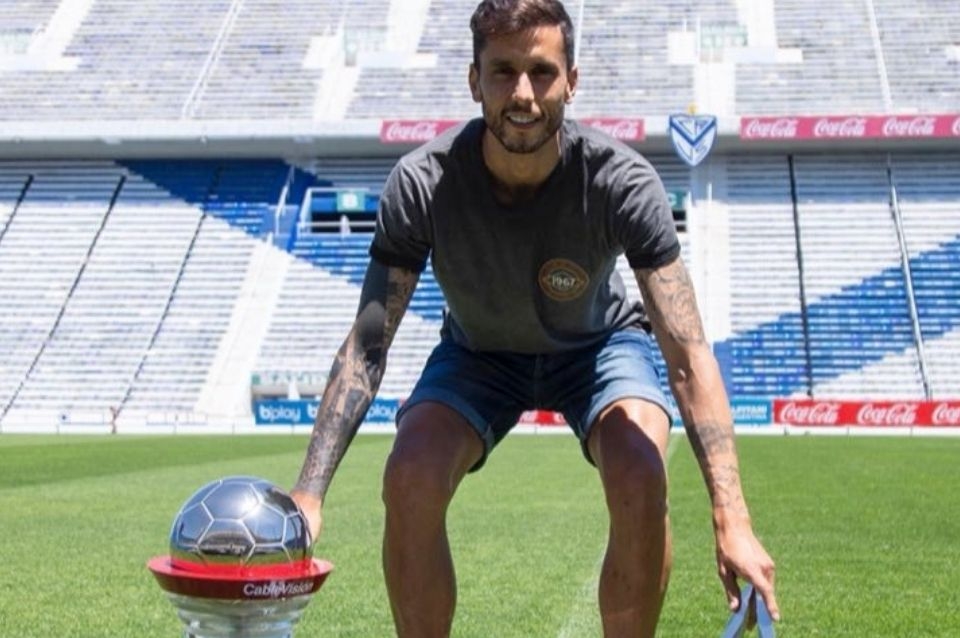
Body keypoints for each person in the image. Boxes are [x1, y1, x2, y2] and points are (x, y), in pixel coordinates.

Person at [291, 0, 779, 635]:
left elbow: (687, 356)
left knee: (640, 470)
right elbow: (367, 346)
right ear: (474, 80)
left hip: (598, 347)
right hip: (478, 352)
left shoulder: (621, 183)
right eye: (503, 71)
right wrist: (308, 494)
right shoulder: (422, 184)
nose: (522, 93)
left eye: (542, 71)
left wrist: (732, 517)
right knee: (409, 474)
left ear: (571, 81)